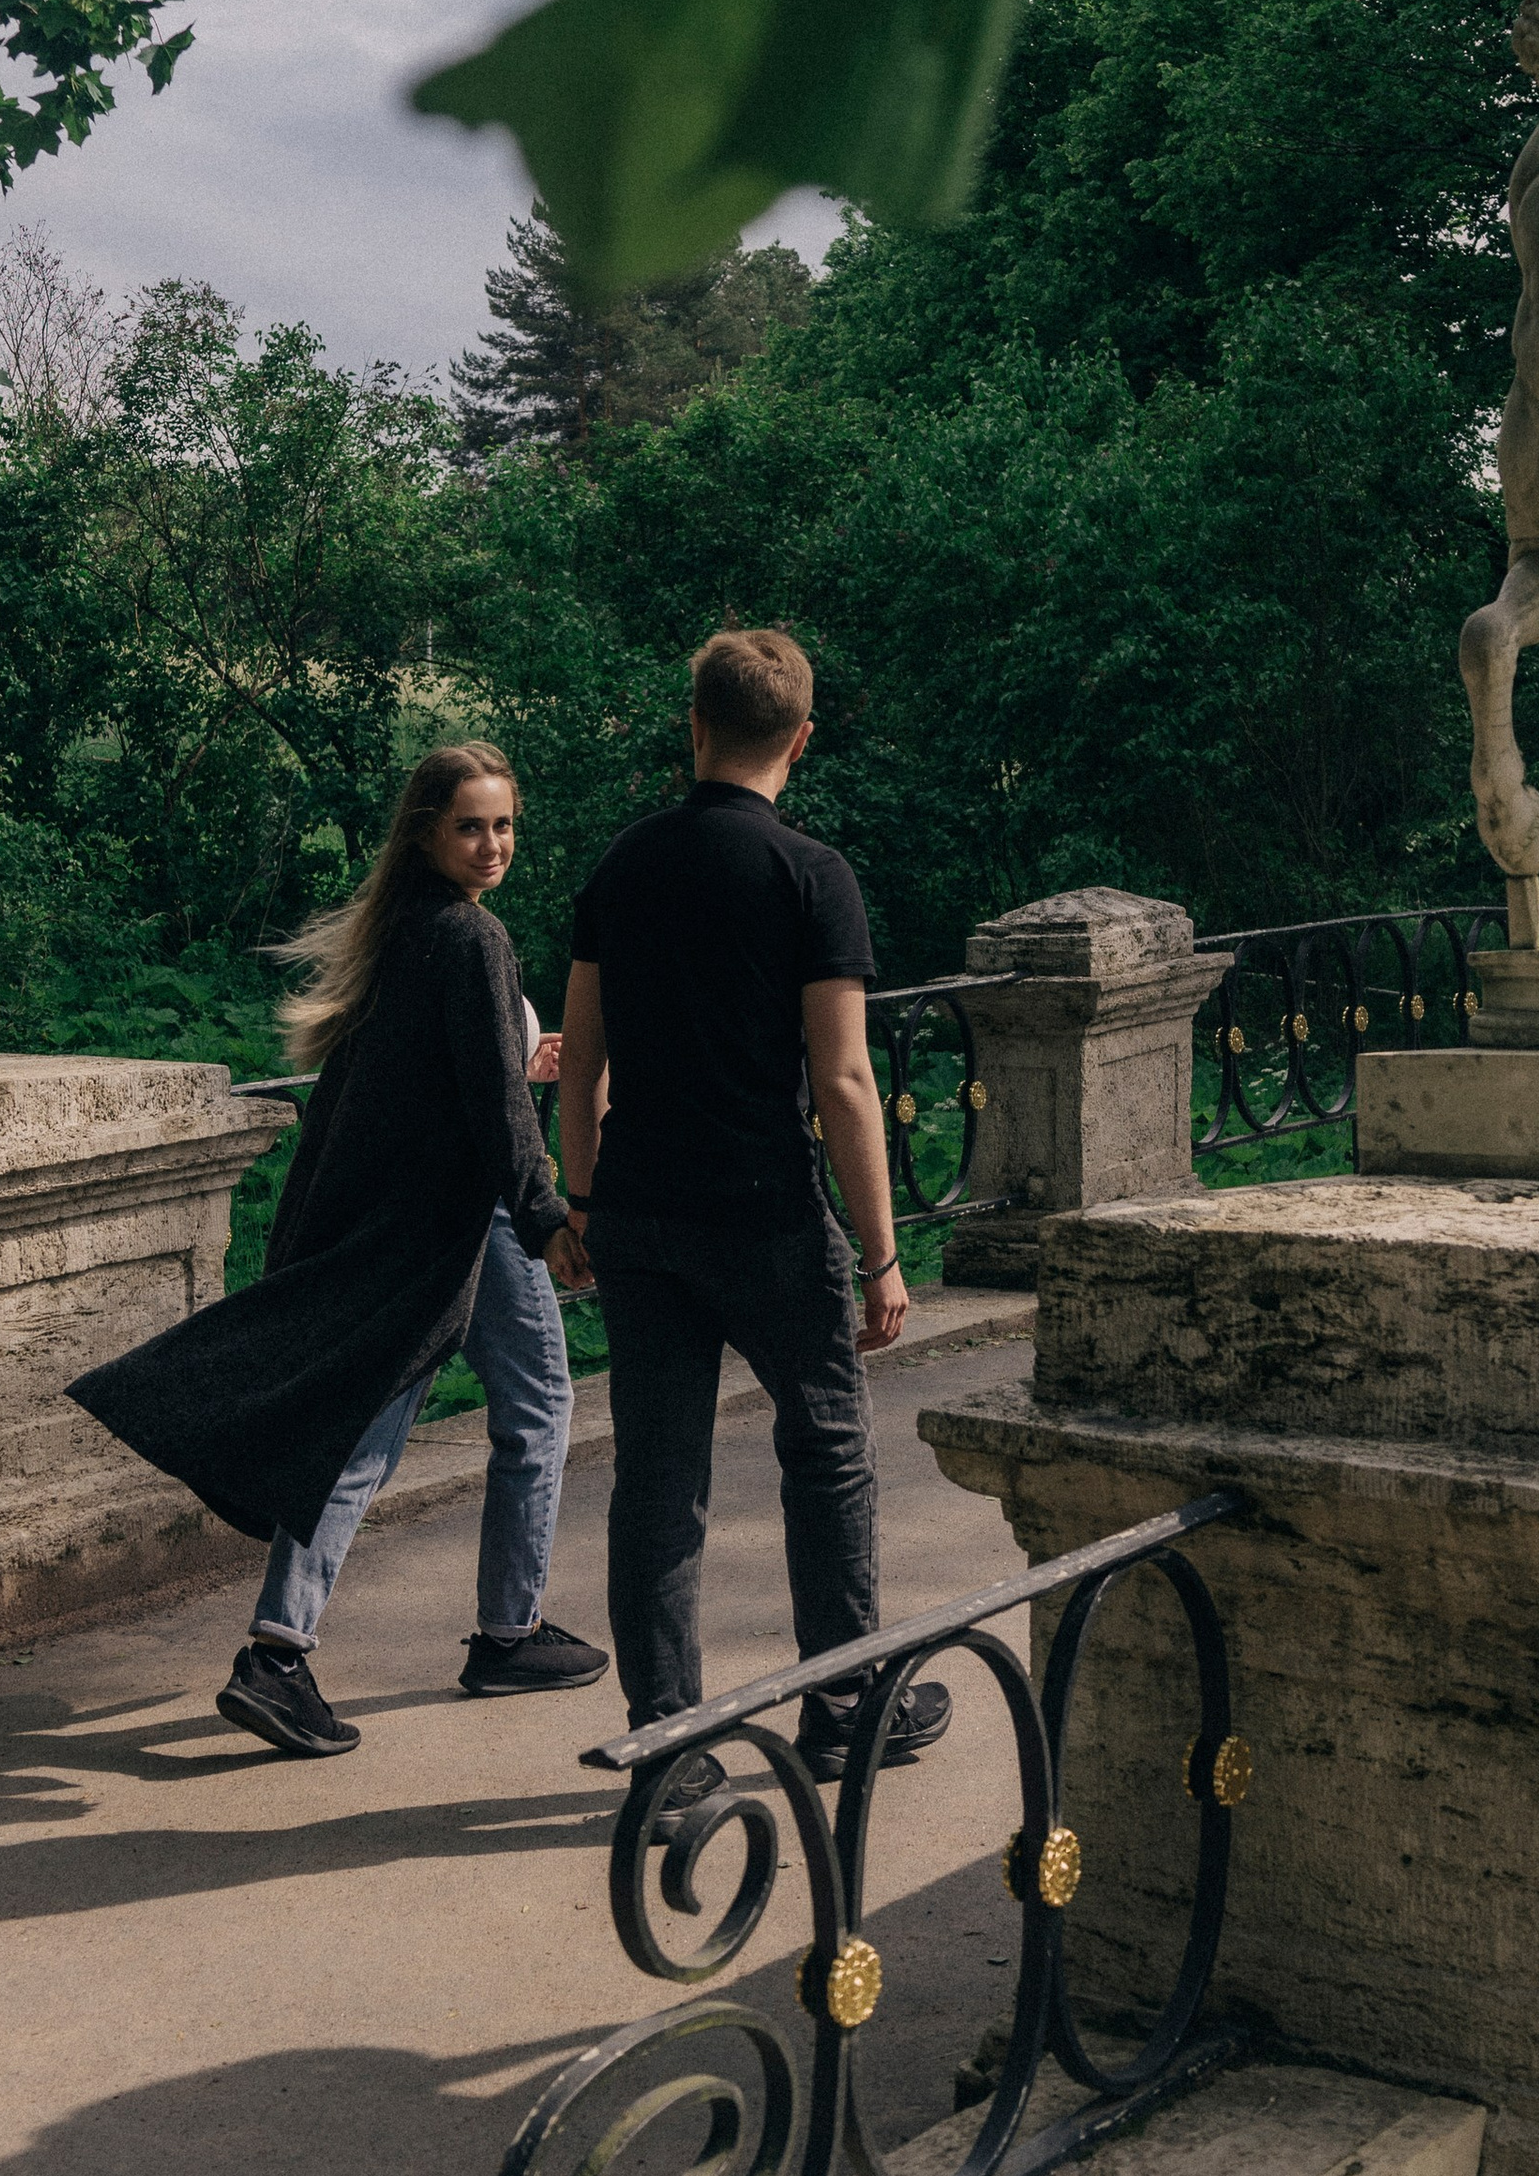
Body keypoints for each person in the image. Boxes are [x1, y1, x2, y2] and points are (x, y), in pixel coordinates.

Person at [67, 742, 608, 1759]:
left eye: (502, 826)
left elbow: (430, 1082)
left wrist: (518, 1061)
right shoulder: (470, 939)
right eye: (470, 827)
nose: (492, 845)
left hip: (426, 1215)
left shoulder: (407, 930)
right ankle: (325, 1651)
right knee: (455, 1416)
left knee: (452, 1412)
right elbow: (493, 1110)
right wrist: (548, 1215)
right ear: (426, 833)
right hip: (460, 1218)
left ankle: (472, 1631)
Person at [550, 627, 948, 1826]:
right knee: (824, 1452)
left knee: (657, 1485)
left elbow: (578, 1067)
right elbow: (842, 1084)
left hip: (641, 1219)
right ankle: (842, 1710)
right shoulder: (809, 874)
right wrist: (880, 1253)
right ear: (801, 741)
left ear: (695, 726)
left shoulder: (623, 867)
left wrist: (579, 1200)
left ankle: (668, 1746)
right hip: (767, 1215)